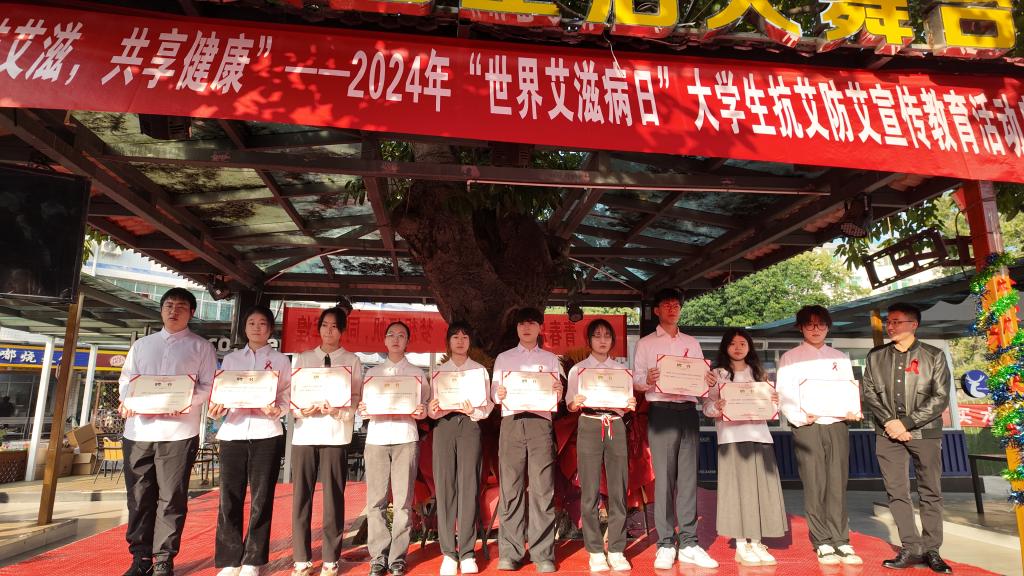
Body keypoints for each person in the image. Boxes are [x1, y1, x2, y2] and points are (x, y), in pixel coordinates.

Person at [117, 288, 217, 576]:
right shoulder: (142, 346)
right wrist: (127, 400)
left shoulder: (201, 347)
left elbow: (209, 385)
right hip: (139, 431)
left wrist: (184, 402)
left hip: (178, 432)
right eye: (169, 305)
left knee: (172, 497)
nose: (174, 311)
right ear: (161, 310)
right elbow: (126, 380)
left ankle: (163, 559)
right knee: (139, 495)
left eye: (181, 306)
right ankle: (140, 558)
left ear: (192, 313)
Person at [862, 303, 953, 574]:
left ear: (914, 325)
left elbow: (940, 397)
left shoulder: (934, 356)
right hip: (887, 434)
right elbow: (869, 393)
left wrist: (906, 423)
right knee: (897, 491)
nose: (890, 326)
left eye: (897, 321)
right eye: (889, 322)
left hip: (925, 432)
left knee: (930, 491)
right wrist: (891, 423)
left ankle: (932, 550)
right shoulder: (875, 356)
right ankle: (911, 547)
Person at [632, 288, 718, 569]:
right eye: (666, 304)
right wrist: (648, 379)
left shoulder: (691, 342)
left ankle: (690, 542)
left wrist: (707, 380)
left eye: (676, 305)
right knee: (665, 479)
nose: (672, 309)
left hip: (688, 412)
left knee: (689, 478)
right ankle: (666, 543)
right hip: (661, 412)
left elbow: (701, 379)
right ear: (656, 310)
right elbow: (636, 380)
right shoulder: (646, 343)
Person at [777, 305, 863, 566]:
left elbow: (848, 389)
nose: (816, 329)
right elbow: (783, 394)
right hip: (808, 426)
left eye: (821, 324)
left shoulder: (840, 357)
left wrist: (852, 409)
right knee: (815, 484)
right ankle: (822, 540)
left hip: (837, 424)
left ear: (828, 327)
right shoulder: (790, 358)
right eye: (810, 324)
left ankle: (841, 539)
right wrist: (800, 417)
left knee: (838, 482)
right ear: (801, 327)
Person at [210, 306, 291, 576]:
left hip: (266, 432)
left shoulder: (281, 361)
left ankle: (253, 560)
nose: (257, 327)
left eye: (262, 323)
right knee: (229, 497)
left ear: (271, 329)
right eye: (252, 323)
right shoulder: (231, 360)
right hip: (232, 433)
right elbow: (220, 393)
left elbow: (287, 394)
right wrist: (216, 408)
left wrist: (279, 409)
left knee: (261, 498)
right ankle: (230, 559)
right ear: (244, 328)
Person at [703, 328, 788, 567]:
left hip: (760, 437)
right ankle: (741, 545)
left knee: (761, 491)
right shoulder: (717, 375)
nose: (738, 347)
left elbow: (773, 408)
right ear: (725, 347)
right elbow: (707, 408)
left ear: (749, 347)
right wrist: (718, 407)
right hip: (731, 439)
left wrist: (776, 401)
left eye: (743, 343)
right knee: (737, 492)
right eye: (733, 343)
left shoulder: (760, 373)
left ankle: (757, 542)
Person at [291, 307, 363, 576]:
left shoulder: (351, 360)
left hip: (335, 434)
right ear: (319, 328)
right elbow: (292, 396)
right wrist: (301, 410)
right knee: (301, 497)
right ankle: (301, 559)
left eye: (334, 326)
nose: (328, 330)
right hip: (305, 434)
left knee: (334, 497)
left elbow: (356, 398)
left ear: (342, 331)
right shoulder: (303, 358)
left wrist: (338, 411)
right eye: (324, 325)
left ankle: (331, 559)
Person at [492, 307, 564, 573]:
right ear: (517, 328)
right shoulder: (504, 358)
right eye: (522, 323)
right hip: (511, 423)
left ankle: (542, 554)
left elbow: (557, 395)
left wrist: (558, 390)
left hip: (540, 424)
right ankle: (510, 553)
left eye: (532, 323)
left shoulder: (551, 359)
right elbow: (494, 393)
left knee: (542, 489)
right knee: (510, 489)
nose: (526, 328)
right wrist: (498, 393)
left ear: (540, 328)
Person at [359, 321, 429, 576]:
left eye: (401, 335)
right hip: (376, 439)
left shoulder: (417, 374)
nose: (396, 339)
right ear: (385, 341)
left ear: (407, 341)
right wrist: (363, 409)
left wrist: (421, 410)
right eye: (391, 335)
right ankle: (378, 557)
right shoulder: (372, 374)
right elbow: (364, 407)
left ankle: (397, 557)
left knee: (403, 502)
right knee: (375, 501)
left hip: (405, 438)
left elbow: (425, 406)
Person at [566, 319, 635, 572]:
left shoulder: (622, 371)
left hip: (615, 424)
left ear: (613, 341)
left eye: (607, 336)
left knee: (619, 488)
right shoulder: (578, 370)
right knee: (590, 490)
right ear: (589, 341)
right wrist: (575, 402)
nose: (603, 340)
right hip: (589, 424)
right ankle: (595, 551)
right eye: (597, 335)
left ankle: (616, 549)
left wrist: (630, 404)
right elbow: (569, 404)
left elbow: (627, 403)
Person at [428, 321, 494, 576]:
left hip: (469, 425)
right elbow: (430, 407)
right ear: (448, 341)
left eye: (465, 337)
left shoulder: (479, 371)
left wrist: (474, 410)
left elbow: (488, 406)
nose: (460, 341)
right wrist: (433, 409)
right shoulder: (438, 372)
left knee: (469, 487)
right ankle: (448, 553)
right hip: (444, 427)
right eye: (455, 336)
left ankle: (467, 552)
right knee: (445, 488)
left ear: (470, 342)